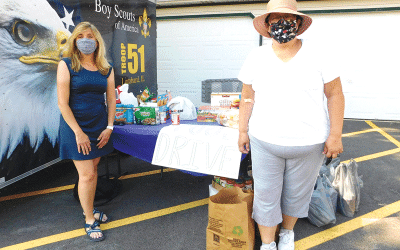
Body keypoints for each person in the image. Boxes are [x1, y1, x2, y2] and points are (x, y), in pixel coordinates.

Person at [237, 0, 345, 249]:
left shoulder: (319, 54)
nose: (281, 24)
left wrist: (336, 135)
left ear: (298, 23)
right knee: (266, 196)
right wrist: (242, 130)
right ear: (266, 25)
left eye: (287, 19)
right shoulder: (257, 56)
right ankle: (267, 243)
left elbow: (335, 94)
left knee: (296, 196)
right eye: (274, 20)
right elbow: (247, 96)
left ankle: (286, 233)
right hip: (265, 141)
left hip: (309, 143)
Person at [57, 21, 116, 242]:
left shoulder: (105, 68)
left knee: (93, 168)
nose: (85, 40)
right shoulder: (66, 64)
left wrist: (109, 127)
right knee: (88, 174)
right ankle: (90, 219)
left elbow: (110, 99)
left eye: (89, 36)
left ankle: (87, 208)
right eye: (80, 35)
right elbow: (63, 104)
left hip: (99, 126)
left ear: (96, 40)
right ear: (74, 40)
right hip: (75, 127)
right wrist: (78, 133)